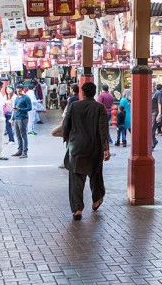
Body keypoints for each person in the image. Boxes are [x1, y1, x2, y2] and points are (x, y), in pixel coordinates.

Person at [62, 82, 111, 221]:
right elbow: (103, 129)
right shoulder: (99, 107)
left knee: (76, 178)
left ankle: (77, 209)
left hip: (76, 147)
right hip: (94, 147)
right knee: (95, 174)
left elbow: (66, 125)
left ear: (82, 93)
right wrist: (106, 148)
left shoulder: (74, 106)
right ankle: (96, 199)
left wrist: (67, 140)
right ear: (95, 93)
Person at [12, 84, 31, 158]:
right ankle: (20, 150)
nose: (18, 92)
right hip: (16, 118)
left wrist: (21, 109)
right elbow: (14, 108)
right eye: (17, 91)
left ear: (23, 90)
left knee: (23, 135)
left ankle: (25, 151)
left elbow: (29, 108)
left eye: (20, 91)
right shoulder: (17, 98)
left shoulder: (26, 98)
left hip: (23, 118)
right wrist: (13, 118)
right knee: (18, 135)